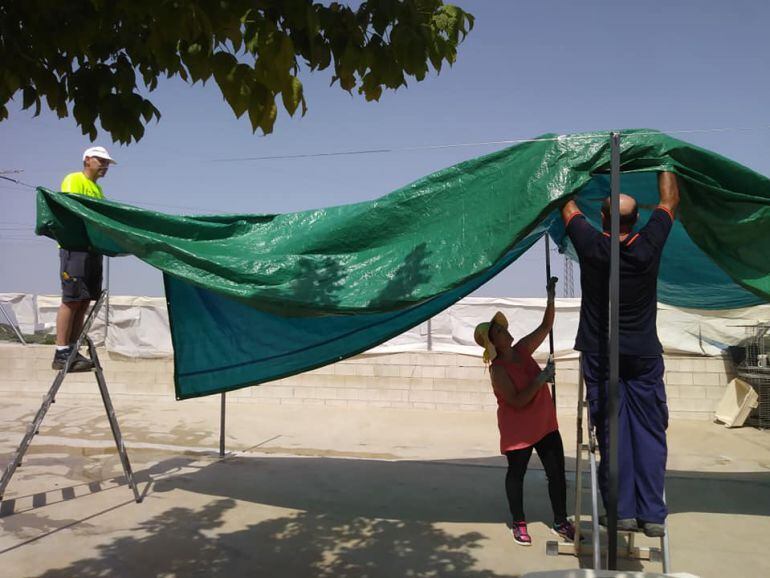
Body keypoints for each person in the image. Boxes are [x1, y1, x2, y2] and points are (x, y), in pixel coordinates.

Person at [560, 171, 680, 538]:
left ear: (603, 220)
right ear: (637, 219)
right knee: (648, 431)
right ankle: (651, 515)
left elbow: (566, 207)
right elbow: (670, 200)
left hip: (601, 353)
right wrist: (664, 159)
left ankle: (620, 511)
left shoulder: (591, 245)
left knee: (612, 432)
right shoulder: (649, 245)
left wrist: (568, 168)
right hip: (642, 353)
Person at [474, 277, 576, 546]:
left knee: (556, 473)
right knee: (516, 473)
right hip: (518, 429)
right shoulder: (497, 369)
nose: (505, 331)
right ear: (493, 342)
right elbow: (517, 401)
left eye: (502, 328)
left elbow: (545, 326)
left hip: (544, 423)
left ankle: (561, 521)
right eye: (498, 330)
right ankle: (519, 522)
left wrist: (551, 298)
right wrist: (541, 379)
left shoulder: (522, 349)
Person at [52, 146, 116, 371]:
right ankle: (60, 352)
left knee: (83, 300)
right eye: (101, 161)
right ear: (87, 160)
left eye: (107, 163)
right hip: (75, 247)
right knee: (71, 299)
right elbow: (71, 207)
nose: (105, 166)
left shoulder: (98, 191)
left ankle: (72, 348)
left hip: (92, 249)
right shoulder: (74, 179)